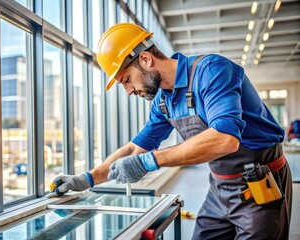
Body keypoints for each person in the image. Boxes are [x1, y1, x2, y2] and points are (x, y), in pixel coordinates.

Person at [50, 23, 292, 239]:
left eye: (126, 80)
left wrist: (149, 162)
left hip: (261, 184)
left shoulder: (212, 71)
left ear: (145, 59)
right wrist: (87, 179)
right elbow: (136, 148)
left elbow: (225, 139)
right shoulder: (163, 101)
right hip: (220, 187)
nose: (129, 91)